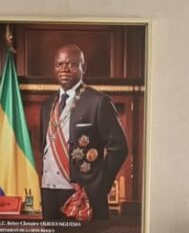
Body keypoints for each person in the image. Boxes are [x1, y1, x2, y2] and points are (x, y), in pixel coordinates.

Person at [39, 43, 129, 221]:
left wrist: (99, 186)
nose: (64, 69)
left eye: (71, 64)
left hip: (81, 194)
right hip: (49, 193)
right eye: (59, 64)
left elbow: (119, 148)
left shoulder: (98, 102)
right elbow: (44, 150)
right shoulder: (47, 105)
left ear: (83, 68)